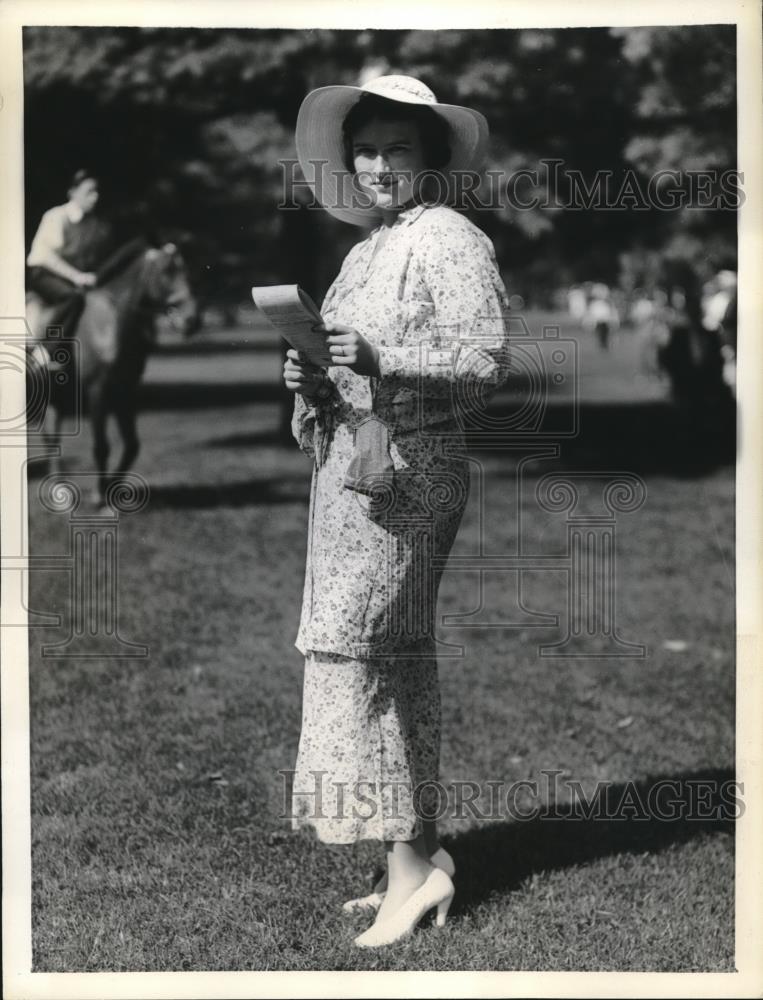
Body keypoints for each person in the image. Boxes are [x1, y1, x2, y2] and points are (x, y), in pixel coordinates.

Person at [283, 74, 511, 948]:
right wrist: (313, 371)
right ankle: (415, 857)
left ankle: (412, 877)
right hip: (355, 469)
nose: (379, 165)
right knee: (392, 658)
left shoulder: (451, 238)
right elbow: (346, 361)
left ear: (431, 157)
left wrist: (383, 353)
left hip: (411, 473)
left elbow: (486, 360)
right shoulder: (368, 248)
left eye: (398, 149)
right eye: (366, 150)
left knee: (365, 651)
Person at [26, 169, 112, 340]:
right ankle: (45, 349)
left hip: (71, 278)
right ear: (72, 193)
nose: (95, 197)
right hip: (44, 275)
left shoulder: (94, 224)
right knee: (71, 298)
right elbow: (46, 257)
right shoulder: (56, 216)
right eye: (89, 192)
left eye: (96, 192)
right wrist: (76, 277)